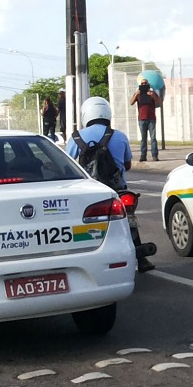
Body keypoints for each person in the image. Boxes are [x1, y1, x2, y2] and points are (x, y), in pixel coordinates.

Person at [67, 97, 152, 272]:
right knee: (129, 222)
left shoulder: (76, 137)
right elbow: (127, 165)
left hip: (87, 192)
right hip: (118, 190)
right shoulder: (120, 136)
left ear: (85, 115)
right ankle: (142, 260)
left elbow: (67, 165)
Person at [130, 78, 162, 161]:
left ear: (148, 85)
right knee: (143, 138)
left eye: (145, 83)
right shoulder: (138, 94)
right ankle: (143, 155)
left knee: (153, 138)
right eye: (142, 83)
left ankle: (155, 155)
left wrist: (152, 95)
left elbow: (159, 102)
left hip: (151, 118)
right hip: (141, 119)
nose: (144, 85)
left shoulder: (152, 93)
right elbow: (131, 102)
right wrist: (136, 94)